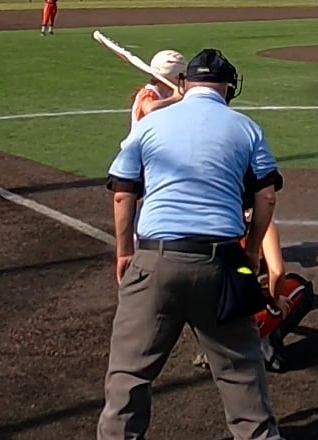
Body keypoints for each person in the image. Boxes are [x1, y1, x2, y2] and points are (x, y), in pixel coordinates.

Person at [98, 48, 285, 440]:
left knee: (129, 377)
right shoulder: (246, 128)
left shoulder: (151, 124)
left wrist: (125, 251)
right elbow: (266, 197)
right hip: (225, 261)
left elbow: (123, 192)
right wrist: (251, 252)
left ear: (184, 83)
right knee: (241, 374)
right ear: (229, 88)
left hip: (155, 257)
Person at [131, 49, 188, 124]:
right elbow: (149, 109)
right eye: (180, 77)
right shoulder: (148, 92)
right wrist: (175, 98)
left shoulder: (170, 92)